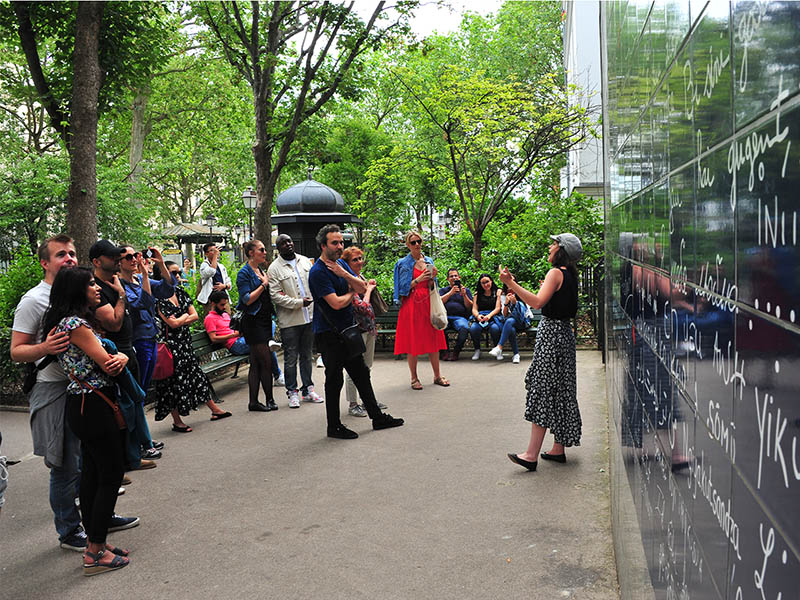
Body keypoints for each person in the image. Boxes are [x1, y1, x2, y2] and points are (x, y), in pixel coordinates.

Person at [10, 235, 137, 553]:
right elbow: (16, 351)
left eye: (72, 253)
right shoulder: (33, 300)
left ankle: (97, 520)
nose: (68, 258)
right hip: (57, 389)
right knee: (66, 465)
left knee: (88, 464)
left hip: (80, 388)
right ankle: (70, 531)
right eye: (60, 255)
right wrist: (45, 347)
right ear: (44, 262)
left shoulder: (74, 301)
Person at [42, 267, 132, 576]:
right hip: (91, 404)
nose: (96, 288)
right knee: (110, 473)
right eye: (90, 284)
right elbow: (108, 364)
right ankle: (94, 552)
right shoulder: (76, 324)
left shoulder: (64, 322)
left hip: (82, 404)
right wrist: (124, 357)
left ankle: (98, 542)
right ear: (76, 291)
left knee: (93, 474)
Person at [308, 224, 404, 439]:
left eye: (341, 242)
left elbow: (363, 287)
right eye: (335, 243)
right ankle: (334, 426)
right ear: (323, 245)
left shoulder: (341, 264)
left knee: (361, 374)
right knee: (334, 380)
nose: (340, 246)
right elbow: (335, 303)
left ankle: (377, 417)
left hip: (348, 330)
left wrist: (345, 275)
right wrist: (352, 291)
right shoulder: (318, 272)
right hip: (329, 333)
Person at [503, 233, 583, 472]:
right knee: (561, 389)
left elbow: (536, 303)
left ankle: (531, 455)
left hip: (551, 336)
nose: (550, 246)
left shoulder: (555, 272)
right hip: (564, 336)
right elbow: (553, 301)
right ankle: (558, 448)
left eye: (554, 244)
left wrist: (510, 284)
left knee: (543, 388)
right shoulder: (570, 275)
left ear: (561, 251)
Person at [90, 240, 163, 464]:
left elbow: (148, 303)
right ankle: (130, 455)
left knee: (135, 400)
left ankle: (140, 448)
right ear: (97, 261)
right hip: (115, 353)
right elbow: (113, 323)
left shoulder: (114, 283)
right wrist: (121, 295)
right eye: (115, 257)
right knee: (125, 405)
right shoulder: (97, 289)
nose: (118, 260)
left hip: (128, 348)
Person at [154, 262, 231, 431]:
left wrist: (179, 320)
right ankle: (177, 421)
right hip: (171, 348)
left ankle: (214, 409)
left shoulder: (180, 292)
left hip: (185, 344)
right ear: (162, 276)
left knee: (197, 376)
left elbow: (194, 316)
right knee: (171, 384)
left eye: (178, 272)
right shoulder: (157, 298)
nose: (178, 276)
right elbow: (172, 324)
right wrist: (182, 319)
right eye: (174, 273)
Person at [119, 245, 175, 469]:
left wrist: (160, 264)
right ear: (119, 262)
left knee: (141, 393)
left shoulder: (138, 280)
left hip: (150, 338)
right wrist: (144, 275)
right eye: (128, 257)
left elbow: (168, 289)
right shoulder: (122, 285)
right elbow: (143, 302)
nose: (134, 259)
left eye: (136, 256)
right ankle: (141, 443)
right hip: (138, 341)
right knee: (137, 394)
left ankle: (145, 439)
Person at [267, 234, 323, 408]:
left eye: (289, 241)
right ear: (278, 248)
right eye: (283, 243)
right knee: (291, 357)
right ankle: (292, 392)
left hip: (309, 317)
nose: (288, 245)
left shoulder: (305, 261)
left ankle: (308, 389)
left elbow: (314, 284)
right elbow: (276, 296)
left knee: (307, 356)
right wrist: (299, 303)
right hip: (290, 320)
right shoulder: (274, 269)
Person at [392, 231, 449, 390]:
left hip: (428, 303)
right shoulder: (402, 263)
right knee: (413, 341)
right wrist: (418, 279)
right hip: (412, 304)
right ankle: (414, 378)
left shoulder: (429, 261)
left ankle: (437, 375)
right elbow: (401, 288)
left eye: (419, 241)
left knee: (433, 338)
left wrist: (432, 279)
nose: (417, 245)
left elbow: (433, 287)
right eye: (413, 242)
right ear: (407, 245)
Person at [340, 246, 388, 417]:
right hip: (356, 330)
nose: (359, 262)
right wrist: (369, 290)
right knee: (355, 369)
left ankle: (368, 401)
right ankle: (353, 404)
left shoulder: (361, 277)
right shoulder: (348, 281)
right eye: (355, 259)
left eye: (361, 258)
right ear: (346, 263)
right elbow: (361, 307)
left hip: (369, 328)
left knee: (367, 367)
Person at [204, 290, 283, 383]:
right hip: (235, 345)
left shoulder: (225, 314)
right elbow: (213, 338)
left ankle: (269, 341)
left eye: (225, 304)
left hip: (241, 338)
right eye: (222, 305)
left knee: (270, 323)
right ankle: (278, 376)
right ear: (213, 303)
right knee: (265, 345)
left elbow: (233, 328)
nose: (224, 307)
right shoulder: (209, 318)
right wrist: (232, 335)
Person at [236, 239, 278, 412]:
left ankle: (253, 402)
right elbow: (247, 299)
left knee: (256, 362)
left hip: (264, 320)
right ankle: (270, 399)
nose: (265, 252)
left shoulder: (260, 270)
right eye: (261, 249)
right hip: (253, 322)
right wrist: (263, 284)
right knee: (266, 361)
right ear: (251, 252)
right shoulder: (244, 273)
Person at [438, 268, 473, 361]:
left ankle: (456, 352)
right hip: (445, 317)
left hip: (460, 318)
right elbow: (438, 302)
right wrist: (451, 293)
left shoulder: (466, 290)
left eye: (455, 276)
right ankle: (444, 352)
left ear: (459, 277)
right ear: (447, 279)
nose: (454, 278)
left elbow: (469, 307)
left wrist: (464, 295)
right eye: (451, 276)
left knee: (464, 328)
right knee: (438, 326)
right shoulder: (443, 290)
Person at [469, 273, 502, 360]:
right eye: (483, 283)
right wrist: (477, 315)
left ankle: (497, 349)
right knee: (473, 329)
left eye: (487, 282)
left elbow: (498, 308)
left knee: (495, 329)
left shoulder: (497, 292)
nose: (486, 285)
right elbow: (474, 309)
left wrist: (489, 316)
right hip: (481, 317)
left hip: (493, 317)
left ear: (491, 281)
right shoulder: (477, 294)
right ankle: (477, 350)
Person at [197, 243, 232, 308]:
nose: (216, 252)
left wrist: (224, 286)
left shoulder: (221, 266)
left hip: (223, 297)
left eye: (216, 250)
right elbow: (212, 271)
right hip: (210, 298)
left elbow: (228, 281)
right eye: (212, 250)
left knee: (226, 315)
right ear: (206, 254)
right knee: (213, 316)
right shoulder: (204, 265)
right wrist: (215, 255)